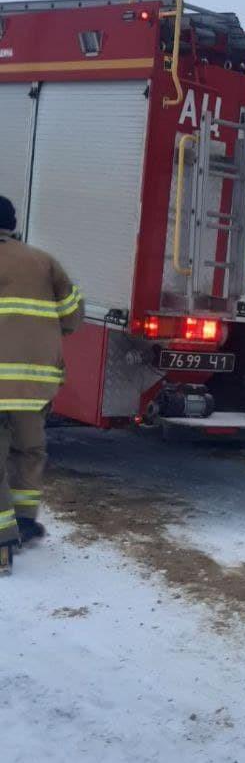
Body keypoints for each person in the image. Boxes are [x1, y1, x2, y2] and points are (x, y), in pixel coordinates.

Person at [0, 195, 84, 573]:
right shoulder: (43, 261)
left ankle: (2, 543)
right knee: (28, 451)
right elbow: (73, 315)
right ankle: (25, 522)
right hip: (35, 383)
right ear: (13, 224)